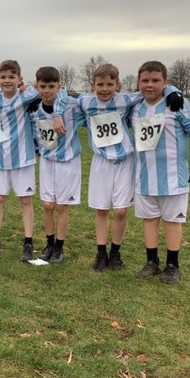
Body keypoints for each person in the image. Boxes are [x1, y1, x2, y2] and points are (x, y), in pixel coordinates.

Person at [127, 61, 190, 284]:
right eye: (145, 80)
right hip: (144, 176)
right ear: (138, 82)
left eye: (156, 80)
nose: (150, 85)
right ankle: (151, 262)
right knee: (149, 219)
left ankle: (173, 265)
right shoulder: (134, 107)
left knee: (172, 221)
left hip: (174, 177)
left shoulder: (178, 103)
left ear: (166, 82)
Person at [64, 63, 141, 270]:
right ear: (92, 85)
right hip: (101, 162)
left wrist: (173, 91)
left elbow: (151, 90)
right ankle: (100, 253)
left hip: (125, 161)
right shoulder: (85, 101)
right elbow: (63, 97)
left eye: (109, 84)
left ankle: (115, 253)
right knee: (102, 208)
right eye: (100, 84)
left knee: (121, 211)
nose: (105, 89)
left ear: (118, 84)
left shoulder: (125, 99)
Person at [0, 60, 40, 262]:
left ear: (19, 79)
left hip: (23, 159)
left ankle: (28, 242)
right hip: (0, 160)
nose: (7, 81)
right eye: (3, 77)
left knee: (25, 200)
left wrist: (26, 87)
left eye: (12, 77)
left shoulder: (26, 97)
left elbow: (44, 90)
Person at [29, 66, 78, 263]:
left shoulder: (72, 106)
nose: (47, 91)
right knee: (48, 205)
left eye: (51, 86)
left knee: (61, 207)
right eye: (43, 86)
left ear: (59, 86)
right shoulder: (34, 110)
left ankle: (59, 247)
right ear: (37, 86)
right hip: (47, 162)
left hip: (67, 162)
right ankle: (49, 244)